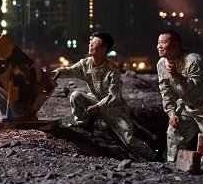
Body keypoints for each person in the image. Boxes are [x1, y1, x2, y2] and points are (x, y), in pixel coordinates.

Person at [53, 32, 156, 161]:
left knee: (128, 140)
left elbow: (115, 95)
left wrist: (98, 106)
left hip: (115, 109)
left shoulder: (112, 70)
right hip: (95, 100)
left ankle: (154, 157)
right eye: (91, 42)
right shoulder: (85, 64)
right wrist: (57, 72)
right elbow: (70, 70)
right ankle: (84, 124)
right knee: (75, 95)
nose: (90, 45)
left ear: (104, 49)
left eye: (94, 43)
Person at [156, 29, 203, 163]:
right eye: (158, 43)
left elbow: (197, 89)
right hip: (187, 105)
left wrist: (176, 76)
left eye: (163, 42)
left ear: (175, 44)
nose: (159, 46)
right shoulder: (162, 64)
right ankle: (174, 168)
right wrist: (171, 113)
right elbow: (166, 91)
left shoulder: (193, 60)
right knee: (174, 134)